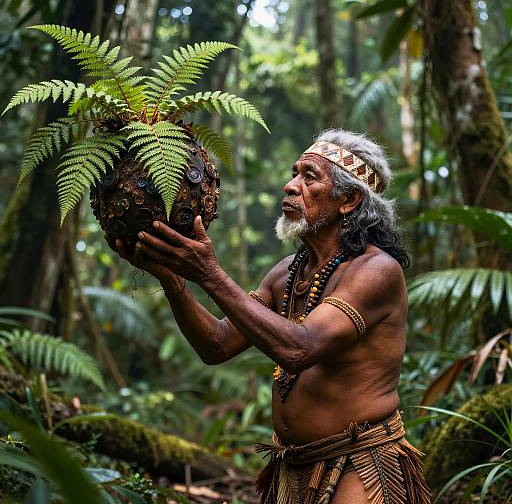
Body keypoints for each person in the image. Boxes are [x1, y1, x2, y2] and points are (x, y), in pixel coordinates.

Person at [107, 128, 431, 504]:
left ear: (350, 199)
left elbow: (299, 349)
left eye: (309, 177)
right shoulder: (286, 272)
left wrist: (211, 274)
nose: (290, 186)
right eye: (294, 174)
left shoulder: (376, 271)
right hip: (292, 470)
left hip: (359, 466)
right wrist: (172, 278)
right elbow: (217, 344)